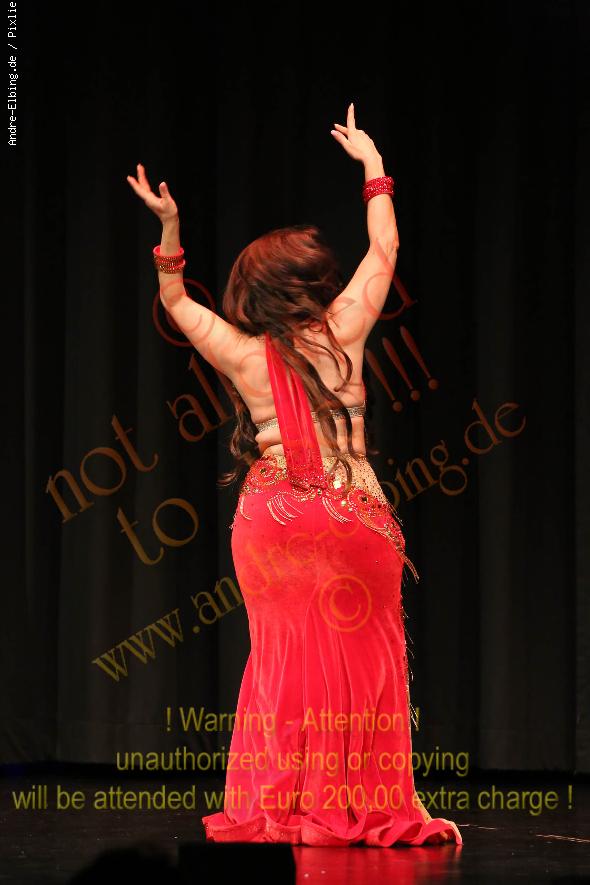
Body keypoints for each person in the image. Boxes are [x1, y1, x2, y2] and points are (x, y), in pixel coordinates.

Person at [127, 103, 462, 847]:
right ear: (305, 284)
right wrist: (374, 167)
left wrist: (171, 229)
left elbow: (174, 300)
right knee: (362, 657)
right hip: (348, 512)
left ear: (254, 295)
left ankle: (282, 802)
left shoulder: (243, 355)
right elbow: (385, 247)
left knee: (282, 660)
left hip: (273, 519)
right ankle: (358, 805)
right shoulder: (344, 327)